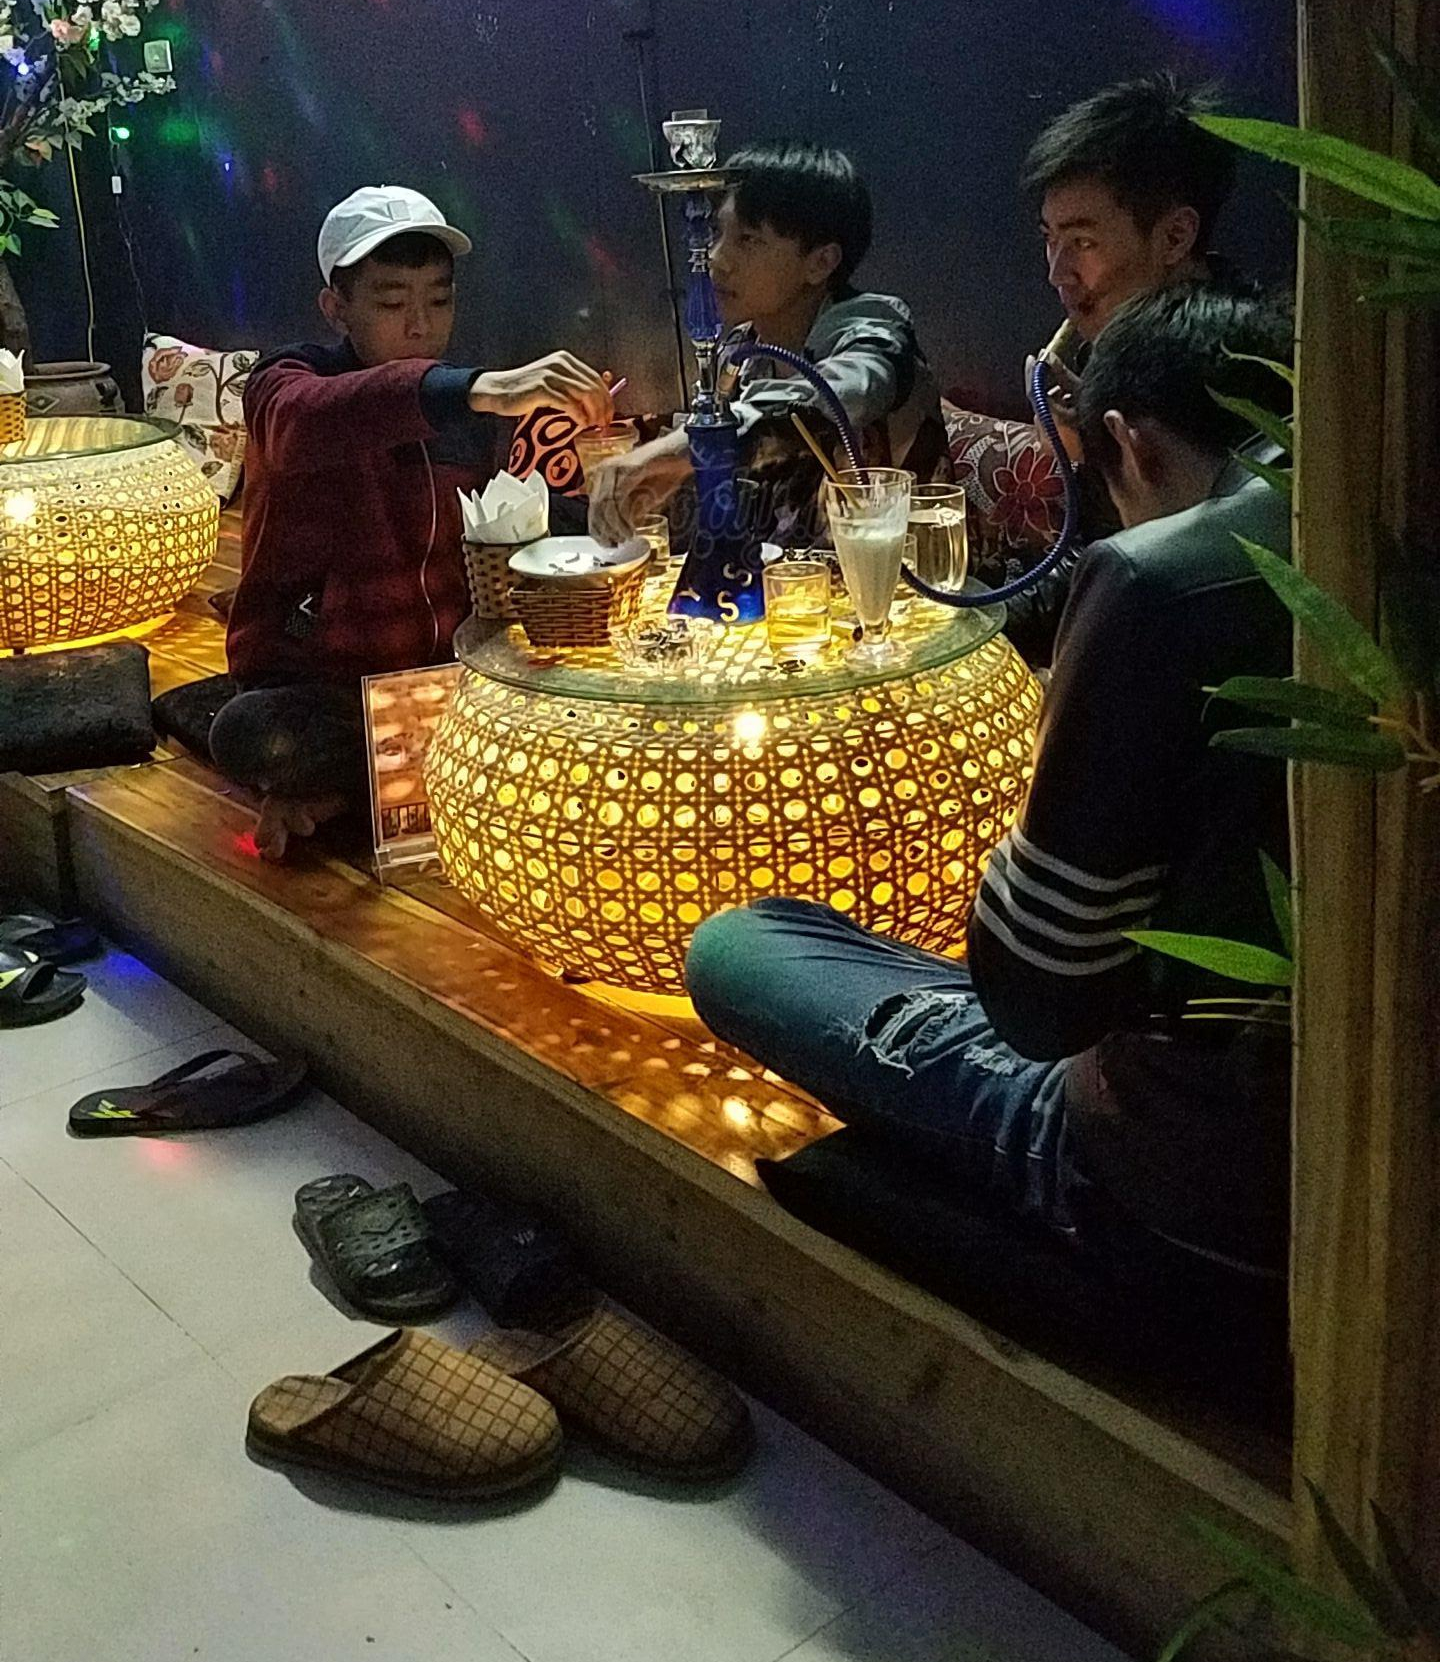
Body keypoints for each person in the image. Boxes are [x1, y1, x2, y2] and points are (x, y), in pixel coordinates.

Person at [687, 286, 1294, 1329]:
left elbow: (1035, 1005)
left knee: (738, 944)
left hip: (1172, 1173)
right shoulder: (1376, 519)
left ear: (1127, 444)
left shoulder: (1157, 579)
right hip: (1288, 1121)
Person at [210, 186, 610, 862]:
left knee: (581, 697)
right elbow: (304, 421)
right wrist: (480, 388)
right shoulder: (289, 382)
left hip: (437, 680)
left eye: (439, 300)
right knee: (257, 734)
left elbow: (503, 520)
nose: (421, 325)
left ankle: (357, 791)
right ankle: (421, 776)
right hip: (321, 688)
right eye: (393, 303)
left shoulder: (462, 407)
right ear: (336, 307)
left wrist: (615, 497)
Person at [588, 143, 944, 547]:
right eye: (718, 233)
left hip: (906, 578)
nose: (717, 259)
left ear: (821, 262)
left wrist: (689, 445)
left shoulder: (874, 330)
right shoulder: (741, 353)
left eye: (749, 240)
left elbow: (839, 391)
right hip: (790, 582)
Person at [1004, 71, 1244, 662]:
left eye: (1082, 242)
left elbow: (1170, 586)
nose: (1056, 273)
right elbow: (1092, 563)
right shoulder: (1114, 355)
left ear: (1176, 236)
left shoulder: (1237, 369)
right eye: (1050, 239)